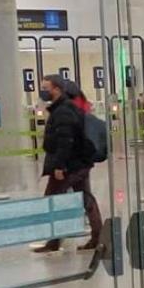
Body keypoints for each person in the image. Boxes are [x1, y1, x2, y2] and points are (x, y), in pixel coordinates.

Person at [35, 75, 103, 254]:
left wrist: (59, 166)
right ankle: (98, 236)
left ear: (57, 89)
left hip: (69, 165)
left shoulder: (63, 111)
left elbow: (66, 141)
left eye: (45, 88)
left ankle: (54, 241)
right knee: (85, 198)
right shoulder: (64, 108)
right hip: (79, 162)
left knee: (53, 199)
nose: (43, 91)